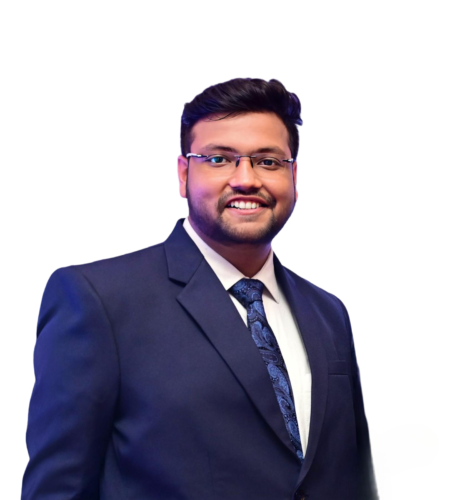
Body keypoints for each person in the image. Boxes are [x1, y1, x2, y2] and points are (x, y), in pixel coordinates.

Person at [22, 78, 378, 500]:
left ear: (293, 175)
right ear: (183, 173)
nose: (245, 179)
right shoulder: (99, 301)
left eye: (268, 161)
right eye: (219, 159)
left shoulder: (328, 313)